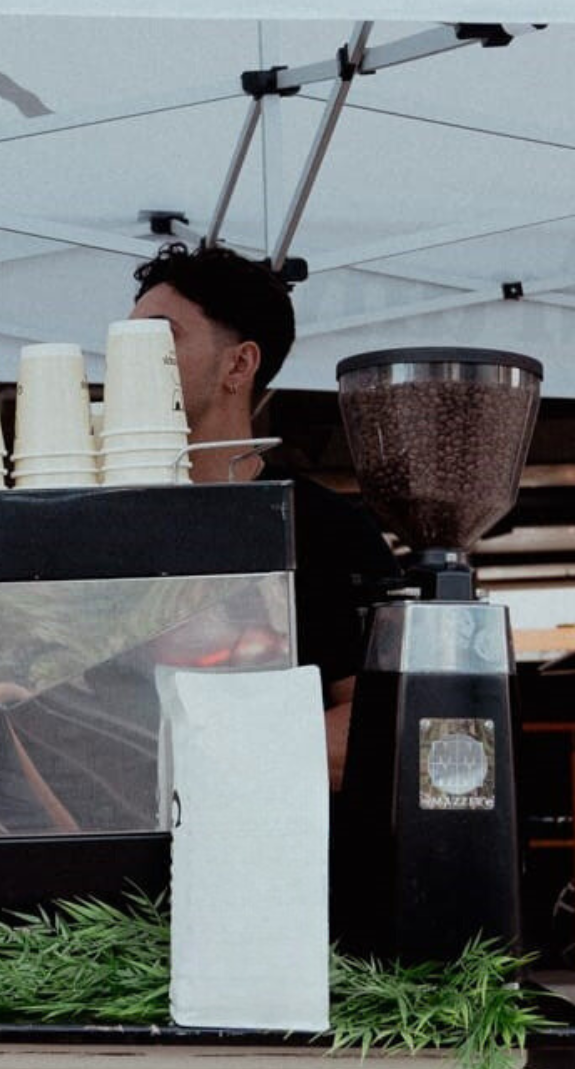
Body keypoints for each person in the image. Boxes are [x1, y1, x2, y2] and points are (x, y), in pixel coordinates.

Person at [129, 242, 405, 948]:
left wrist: (198, 747)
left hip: (280, 912)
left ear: (239, 364)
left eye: (160, 338)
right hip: (112, 913)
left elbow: (380, 731)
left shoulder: (326, 531)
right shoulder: (96, 522)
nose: (129, 358)